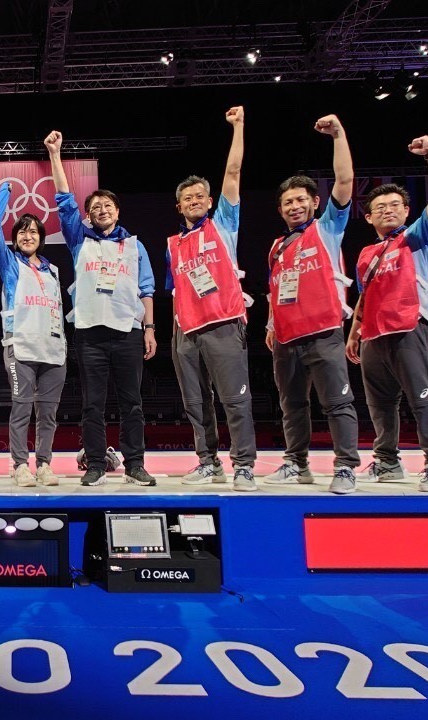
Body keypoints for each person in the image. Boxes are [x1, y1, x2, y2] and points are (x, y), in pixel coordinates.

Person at [45, 130, 159, 488]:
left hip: (128, 332)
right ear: (89, 216)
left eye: (107, 205)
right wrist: (55, 153)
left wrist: (151, 329)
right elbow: (65, 200)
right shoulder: (80, 241)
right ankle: (95, 463)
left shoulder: (134, 245)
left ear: (118, 211)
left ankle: (135, 464)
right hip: (90, 333)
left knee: (133, 403)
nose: (101, 210)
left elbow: (146, 289)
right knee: (92, 404)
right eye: (94, 208)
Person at [345, 134, 428, 493]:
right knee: (380, 405)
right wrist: (355, 331)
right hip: (374, 334)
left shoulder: (417, 237)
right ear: (369, 215)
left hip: (412, 327)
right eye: (380, 207)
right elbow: (364, 296)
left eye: (395, 205)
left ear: (406, 211)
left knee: (424, 399)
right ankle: (387, 461)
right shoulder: (365, 253)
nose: (388, 210)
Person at [263, 114, 360, 495]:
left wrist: (339, 134)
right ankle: (296, 463)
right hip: (286, 338)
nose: (293, 206)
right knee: (292, 406)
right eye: (287, 202)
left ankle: (347, 467)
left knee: (337, 402)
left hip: (323, 332)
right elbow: (275, 291)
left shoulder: (328, 229)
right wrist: (271, 325)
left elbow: (346, 181)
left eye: (301, 199)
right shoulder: (276, 246)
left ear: (315, 202)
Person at [166, 105, 258, 492]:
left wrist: (238, 128)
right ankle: (208, 461)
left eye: (201, 195)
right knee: (195, 401)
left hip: (222, 323)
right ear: (179, 206)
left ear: (210, 200)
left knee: (234, 400)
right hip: (185, 330)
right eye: (188, 197)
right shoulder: (173, 243)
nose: (195, 200)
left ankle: (243, 466)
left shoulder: (223, 224)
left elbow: (233, 172)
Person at [0, 182, 67, 487]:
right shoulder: (10, 265)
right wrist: (3, 193)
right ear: (15, 239)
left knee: (48, 413)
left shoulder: (53, 270)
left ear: (42, 238)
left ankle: (44, 463)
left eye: (33, 231)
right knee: (21, 408)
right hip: (20, 348)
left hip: (53, 351)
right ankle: (20, 464)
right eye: (22, 231)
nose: (27, 235)